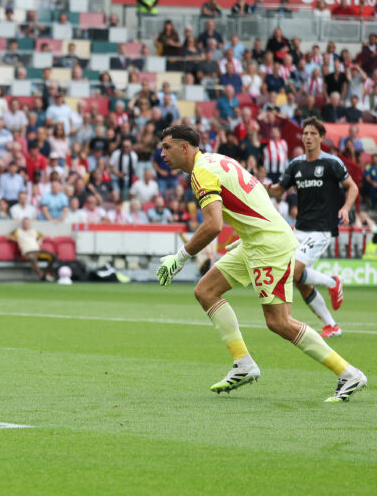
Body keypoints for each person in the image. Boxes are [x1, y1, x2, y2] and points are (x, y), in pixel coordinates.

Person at [155, 124, 366, 402]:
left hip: (268, 246)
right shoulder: (217, 159)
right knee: (205, 290)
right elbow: (255, 194)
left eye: (167, 147)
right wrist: (246, 233)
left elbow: (213, 225)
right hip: (255, 240)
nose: (162, 154)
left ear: (184, 147)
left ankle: (349, 374)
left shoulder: (201, 172)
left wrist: (179, 257)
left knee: (279, 322)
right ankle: (243, 363)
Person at [268, 118, 357, 338]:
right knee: (300, 281)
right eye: (305, 133)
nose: (308, 137)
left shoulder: (331, 163)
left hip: (322, 228)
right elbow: (279, 190)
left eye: (313, 134)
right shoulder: (296, 165)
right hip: (300, 228)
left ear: (321, 137)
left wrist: (346, 208)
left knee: (293, 271)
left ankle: (332, 282)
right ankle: (331, 325)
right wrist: (264, 187)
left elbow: (352, 187)